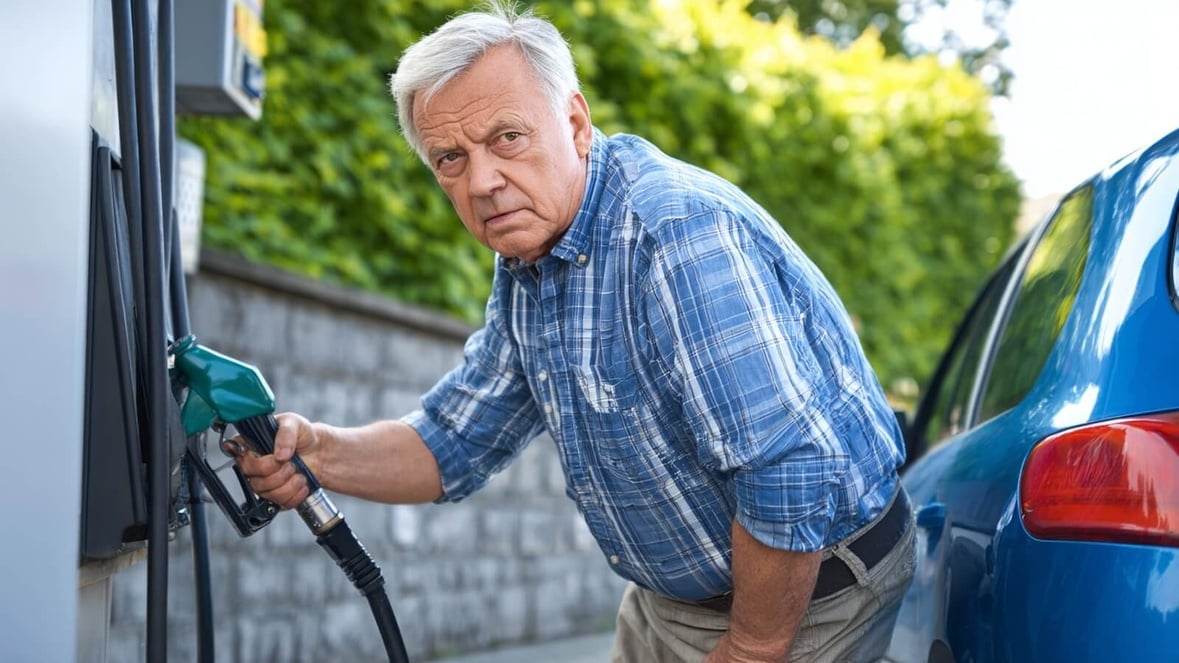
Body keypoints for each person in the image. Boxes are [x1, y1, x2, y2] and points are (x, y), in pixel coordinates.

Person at [235, 2, 915, 661]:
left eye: (507, 137)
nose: (483, 181)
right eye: (449, 159)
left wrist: (752, 648)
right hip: (668, 605)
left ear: (576, 122)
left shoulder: (673, 236)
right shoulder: (531, 261)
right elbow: (454, 437)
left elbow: (786, 466)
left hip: (805, 603)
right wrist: (317, 451)